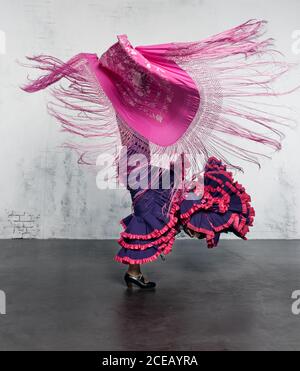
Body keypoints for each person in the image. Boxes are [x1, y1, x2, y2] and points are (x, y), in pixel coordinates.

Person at [21, 20, 298, 289]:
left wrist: (140, 67)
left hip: (139, 167)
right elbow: (128, 95)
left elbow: (141, 100)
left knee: (173, 202)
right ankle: (167, 246)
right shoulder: (128, 113)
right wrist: (130, 66)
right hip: (135, 169)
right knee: (166, 207)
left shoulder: (133, 112)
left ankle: (139, 268)